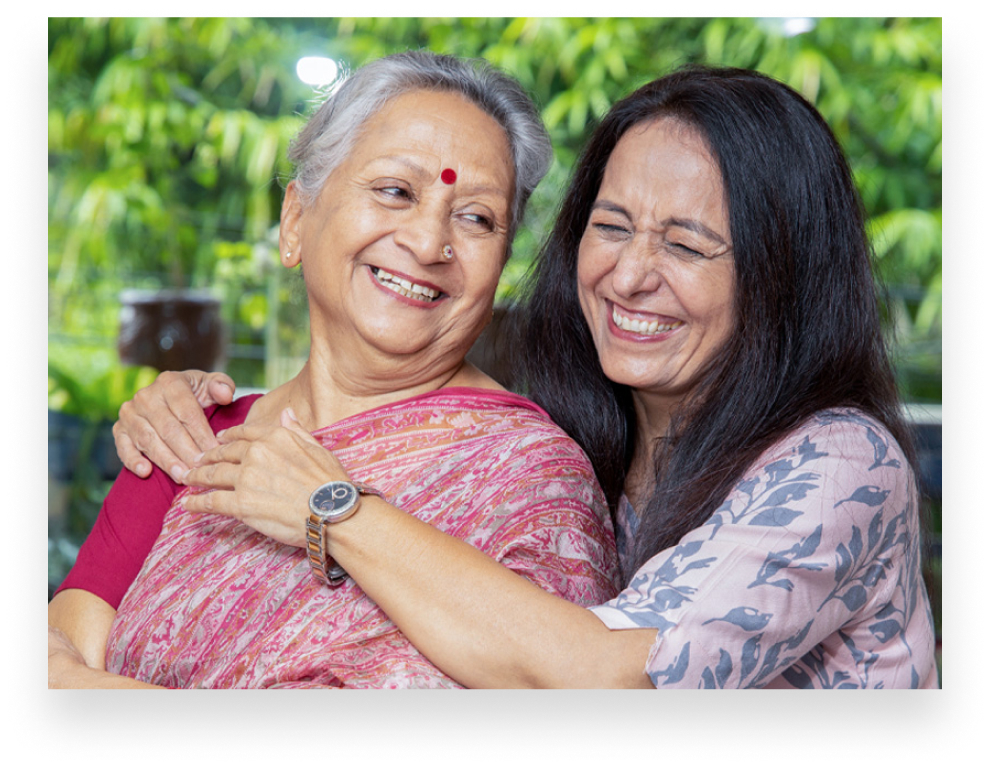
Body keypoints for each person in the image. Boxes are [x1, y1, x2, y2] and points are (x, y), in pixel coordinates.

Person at [103, 66, 938, 688]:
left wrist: (333, 507)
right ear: (294, 218)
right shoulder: (591, 436)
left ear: (781, 276)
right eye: (611, 227)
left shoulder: (838, 468)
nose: (629, 274)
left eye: (685, 244)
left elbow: (608, 684)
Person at [47, 51, 623, 689]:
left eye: (477, 219)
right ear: (295, 220)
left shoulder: (530, 482)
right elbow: (55, 667)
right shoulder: (188, 439)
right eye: (395, 192)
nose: (430, 243)